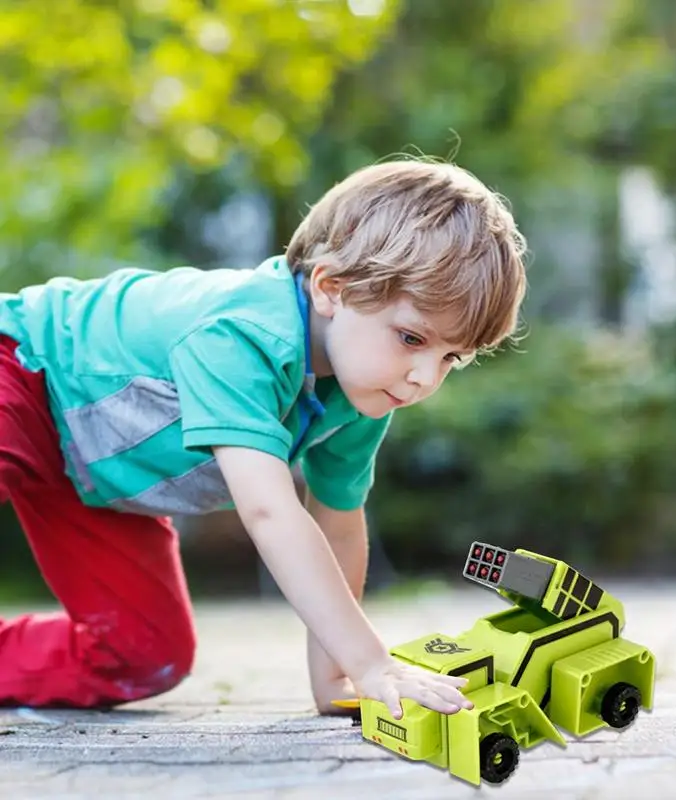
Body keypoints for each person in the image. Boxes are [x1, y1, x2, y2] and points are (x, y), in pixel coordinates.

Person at [0, 159, 527, 720]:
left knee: (144, 654)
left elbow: (339, 525)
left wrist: (340, 675)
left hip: (98, 474)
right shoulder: (243, 335)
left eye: (451, 357)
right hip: (25, 371)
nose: (425, 378)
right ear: (331, 288)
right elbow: (270, 511)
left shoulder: (364, 394)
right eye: (411, 337)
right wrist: (376, 661)